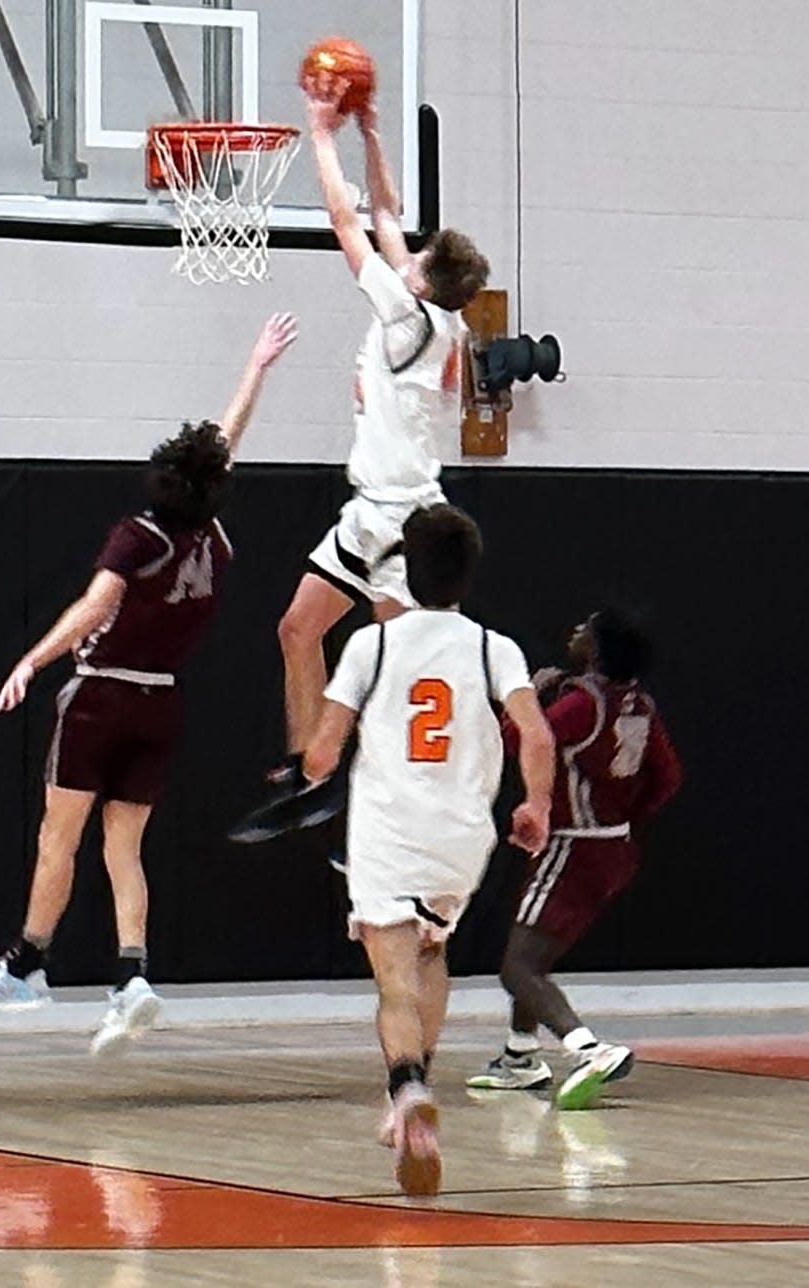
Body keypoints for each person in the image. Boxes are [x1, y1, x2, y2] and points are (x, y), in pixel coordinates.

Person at [0, 313, 299, 1057]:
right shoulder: (210, 535)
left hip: (101, 696)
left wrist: (31, 661)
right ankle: (133, 977)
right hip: (161, 701)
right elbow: (223, 445)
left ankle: (25, 967)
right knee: (126, 848)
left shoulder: (140, 534)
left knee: (60, 838)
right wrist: (255, 368)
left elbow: (92, 606)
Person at [301, 504, 555, 1195]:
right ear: (467, 574)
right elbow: (535, 734)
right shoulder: (493, 648)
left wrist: (304, 769)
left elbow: (323, 752)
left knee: (392, 975)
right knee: (431, 949)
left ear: (406, 572)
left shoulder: (371, 646)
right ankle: (410, 1093)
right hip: (461, 838)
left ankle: (406, 1085)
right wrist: (534, 803)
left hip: (389, 831)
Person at [276, 85, 490, 764]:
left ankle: (384, 786)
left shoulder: (406, 317)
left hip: (406, 521)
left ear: (422, 284)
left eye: (418, 261)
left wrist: (320, 134)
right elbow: (388, 211)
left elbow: (348, 222)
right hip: (368, 509)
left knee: (394, 666)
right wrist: (370, 134)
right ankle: (311, 769)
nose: (409, 256)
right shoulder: (434, 313)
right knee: (297, 629)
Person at [466, 608, 682, 1110]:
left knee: (517, 967)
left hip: (574, 843)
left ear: (598, 650)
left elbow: (520, 741)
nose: (574, 632)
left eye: (585, 628)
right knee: (533, 955)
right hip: (611, 844)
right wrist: (622, 814)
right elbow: (667, 778)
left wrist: (532, 699)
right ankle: (520, 1057)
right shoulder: (639, 705)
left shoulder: (582, 704)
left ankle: (589, 1049)